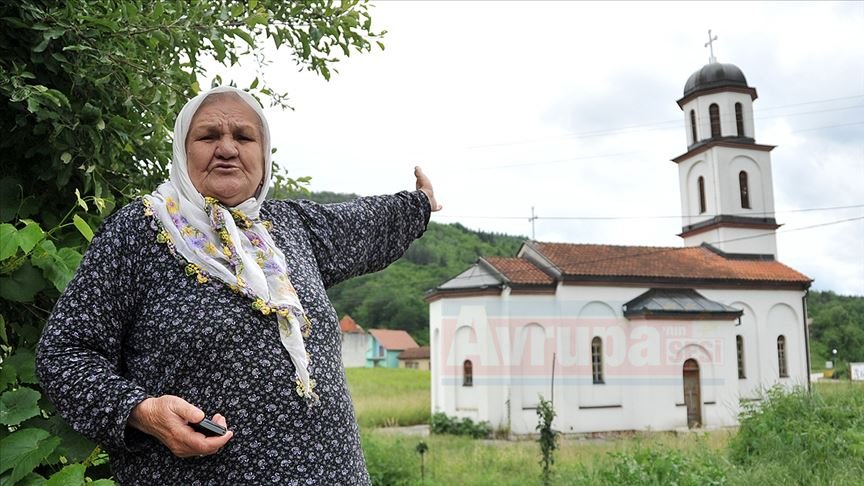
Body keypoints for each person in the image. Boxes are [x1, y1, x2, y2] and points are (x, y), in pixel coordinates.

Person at [36, 86, 440, 485]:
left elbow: (366, 223)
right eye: (209, 136)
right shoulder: (139, 232)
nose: (227, 148)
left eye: (244, 137)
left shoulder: (291, 228)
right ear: (182, 149)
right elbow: (64, 354)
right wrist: (142, 411)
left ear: (263, 158)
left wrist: (419, 203)